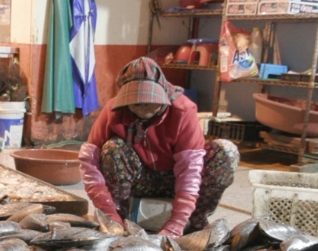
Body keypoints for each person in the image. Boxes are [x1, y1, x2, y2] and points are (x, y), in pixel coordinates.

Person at [77, 57, 239, 238]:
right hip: (142, 180)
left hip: (177, 180)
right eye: (136, 102)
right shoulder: (113, 110)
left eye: (149, 100)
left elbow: (190, 169)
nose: (143, 106)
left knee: (226, 151)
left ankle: (195, 220)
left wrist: (177, 221)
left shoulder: (183, 110)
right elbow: (89, 160)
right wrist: (108, 212)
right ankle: (119, 219)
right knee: (113, 148)